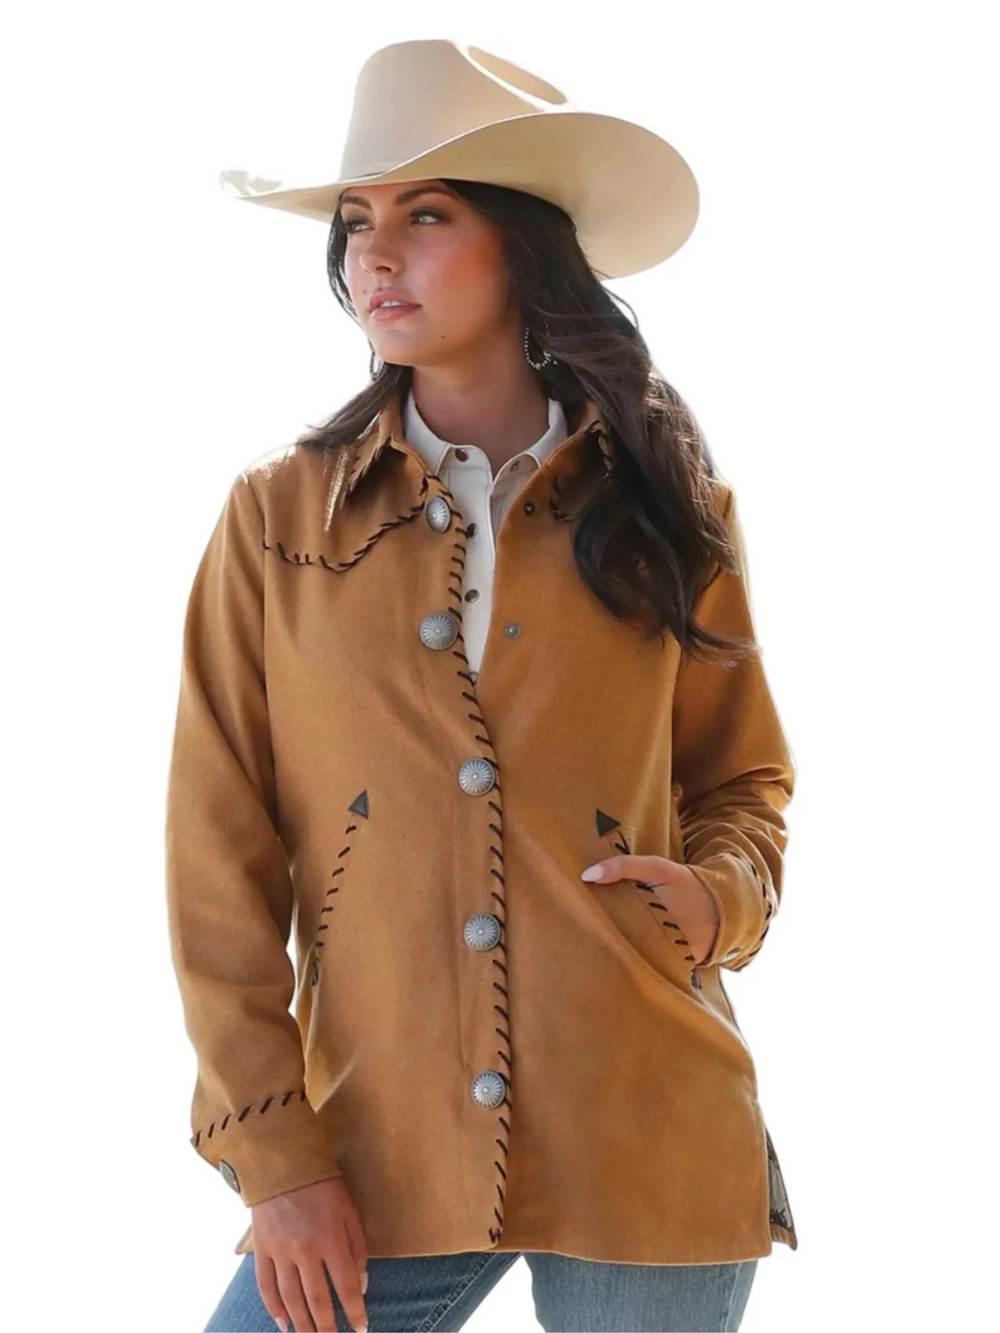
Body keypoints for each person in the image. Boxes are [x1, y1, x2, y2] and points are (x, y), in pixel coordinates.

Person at [166, 38, 798, 1333]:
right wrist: (273, 1156)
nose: (374, 256)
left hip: (649, 1128)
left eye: (427, 215)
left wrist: (717, 899)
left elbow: (742, 779)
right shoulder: (279, 521)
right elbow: (214, 855)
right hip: (375, 1143)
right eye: (357, 221)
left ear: (526, 246)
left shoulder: (673, 511)